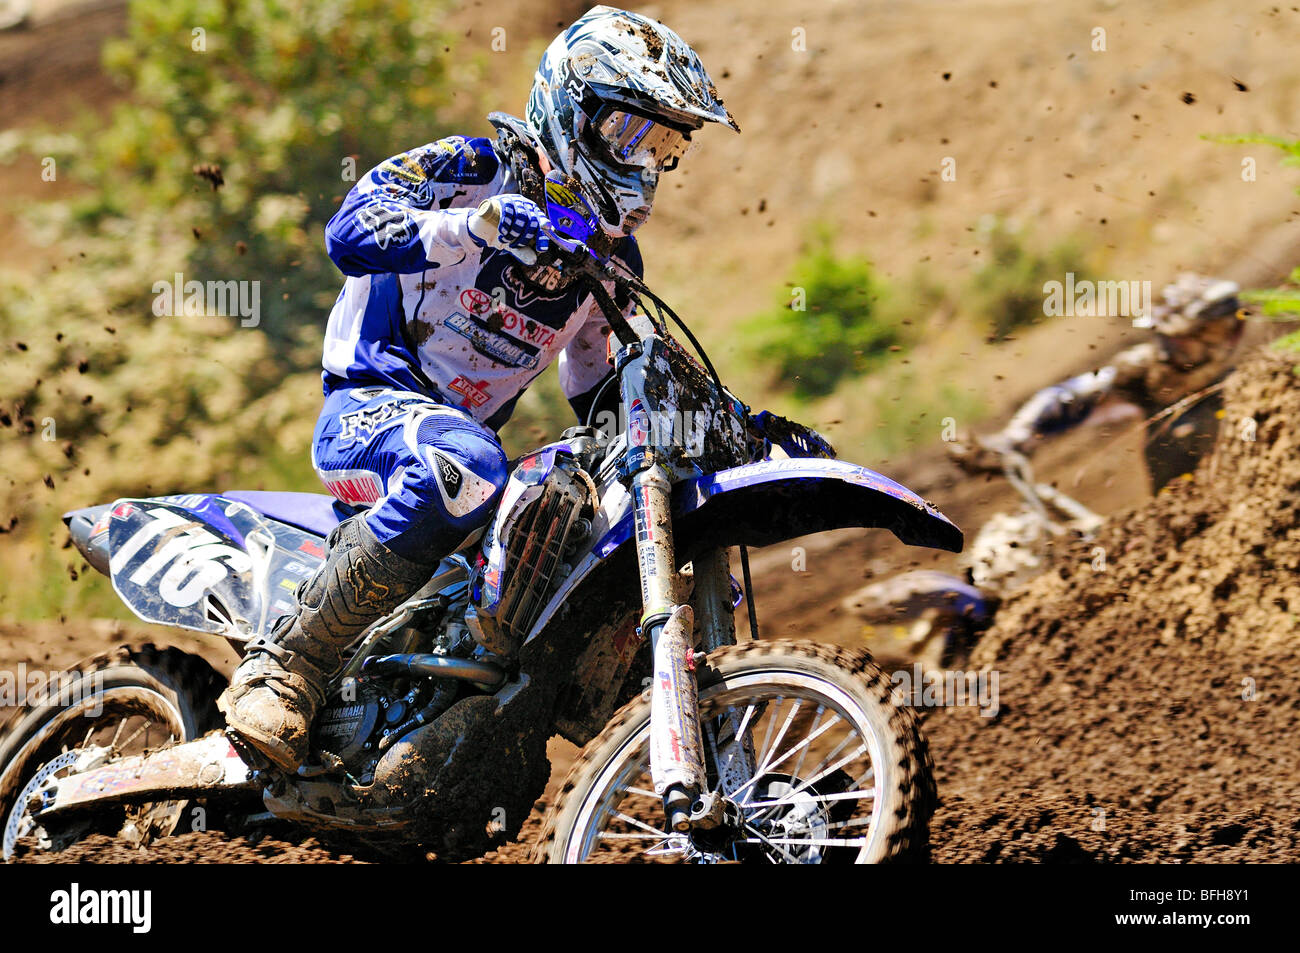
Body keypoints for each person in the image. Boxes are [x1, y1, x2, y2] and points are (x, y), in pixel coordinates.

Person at [218, 6, 738, 771]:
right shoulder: (472, 170)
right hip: (367, 406)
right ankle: (284, 667)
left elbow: (597, 389)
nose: (645, 163)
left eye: (664, 147)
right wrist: (478, 226)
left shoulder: (611, 257)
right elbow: (348, 232)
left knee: (587, 509)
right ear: (573, 109)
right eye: (632, 135)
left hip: (465, 459)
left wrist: (726, 428)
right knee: (465, 461)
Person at [953, 273, 1245, 491]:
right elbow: (1071, 396)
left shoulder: (1250, 385)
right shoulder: (1148, 371)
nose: (1172, 349)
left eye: (1181, 339)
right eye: (1169, 338)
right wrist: (1014, 439)